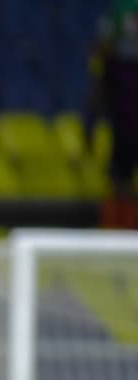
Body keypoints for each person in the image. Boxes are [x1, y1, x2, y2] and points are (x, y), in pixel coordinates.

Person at [89, 0, 138, 229]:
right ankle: (118, 229)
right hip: (124, 103)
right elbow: (103, 49)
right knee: (121, 173)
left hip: (123, 97)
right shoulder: (121, 9)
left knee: (122, 173)